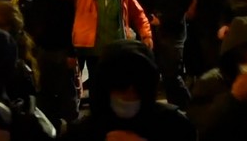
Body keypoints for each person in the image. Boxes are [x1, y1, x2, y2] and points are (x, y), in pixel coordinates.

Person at [64, 39, 196, 141]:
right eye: (121, 84)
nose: (130, 93)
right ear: (105, 86)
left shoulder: (175, 126)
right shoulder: (82, 132)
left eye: (139, 85)